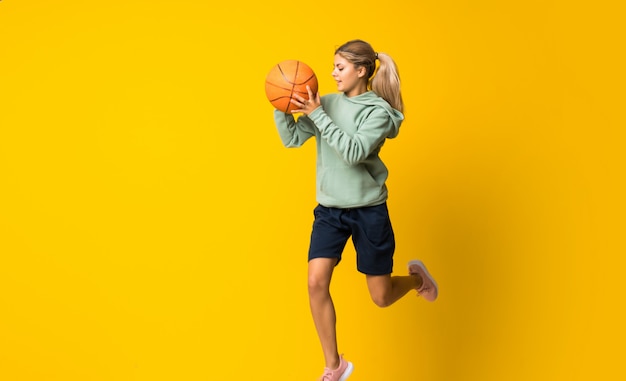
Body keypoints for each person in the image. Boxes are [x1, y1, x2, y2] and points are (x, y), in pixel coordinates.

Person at [272, 39, 438, 381]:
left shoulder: (377, 112)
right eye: (333, 67)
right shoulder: (326, 103)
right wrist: (281, 103)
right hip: (330, 211)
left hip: (368, 212)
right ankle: (334, 366)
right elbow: (291, 139)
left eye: (340, 67)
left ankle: (417, 278)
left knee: (381, 297)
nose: (331, 74)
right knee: (316, 282)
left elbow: (352, 152)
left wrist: (318, 114)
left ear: (361, 71)